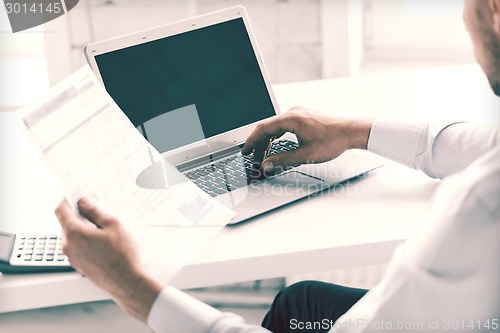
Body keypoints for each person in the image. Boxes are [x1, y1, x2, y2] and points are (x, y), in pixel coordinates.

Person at [55, 0, 500, 332]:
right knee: (299, 302)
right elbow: (483, 146)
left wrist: (136, 291)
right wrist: (354, 131)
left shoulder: (475, 213)